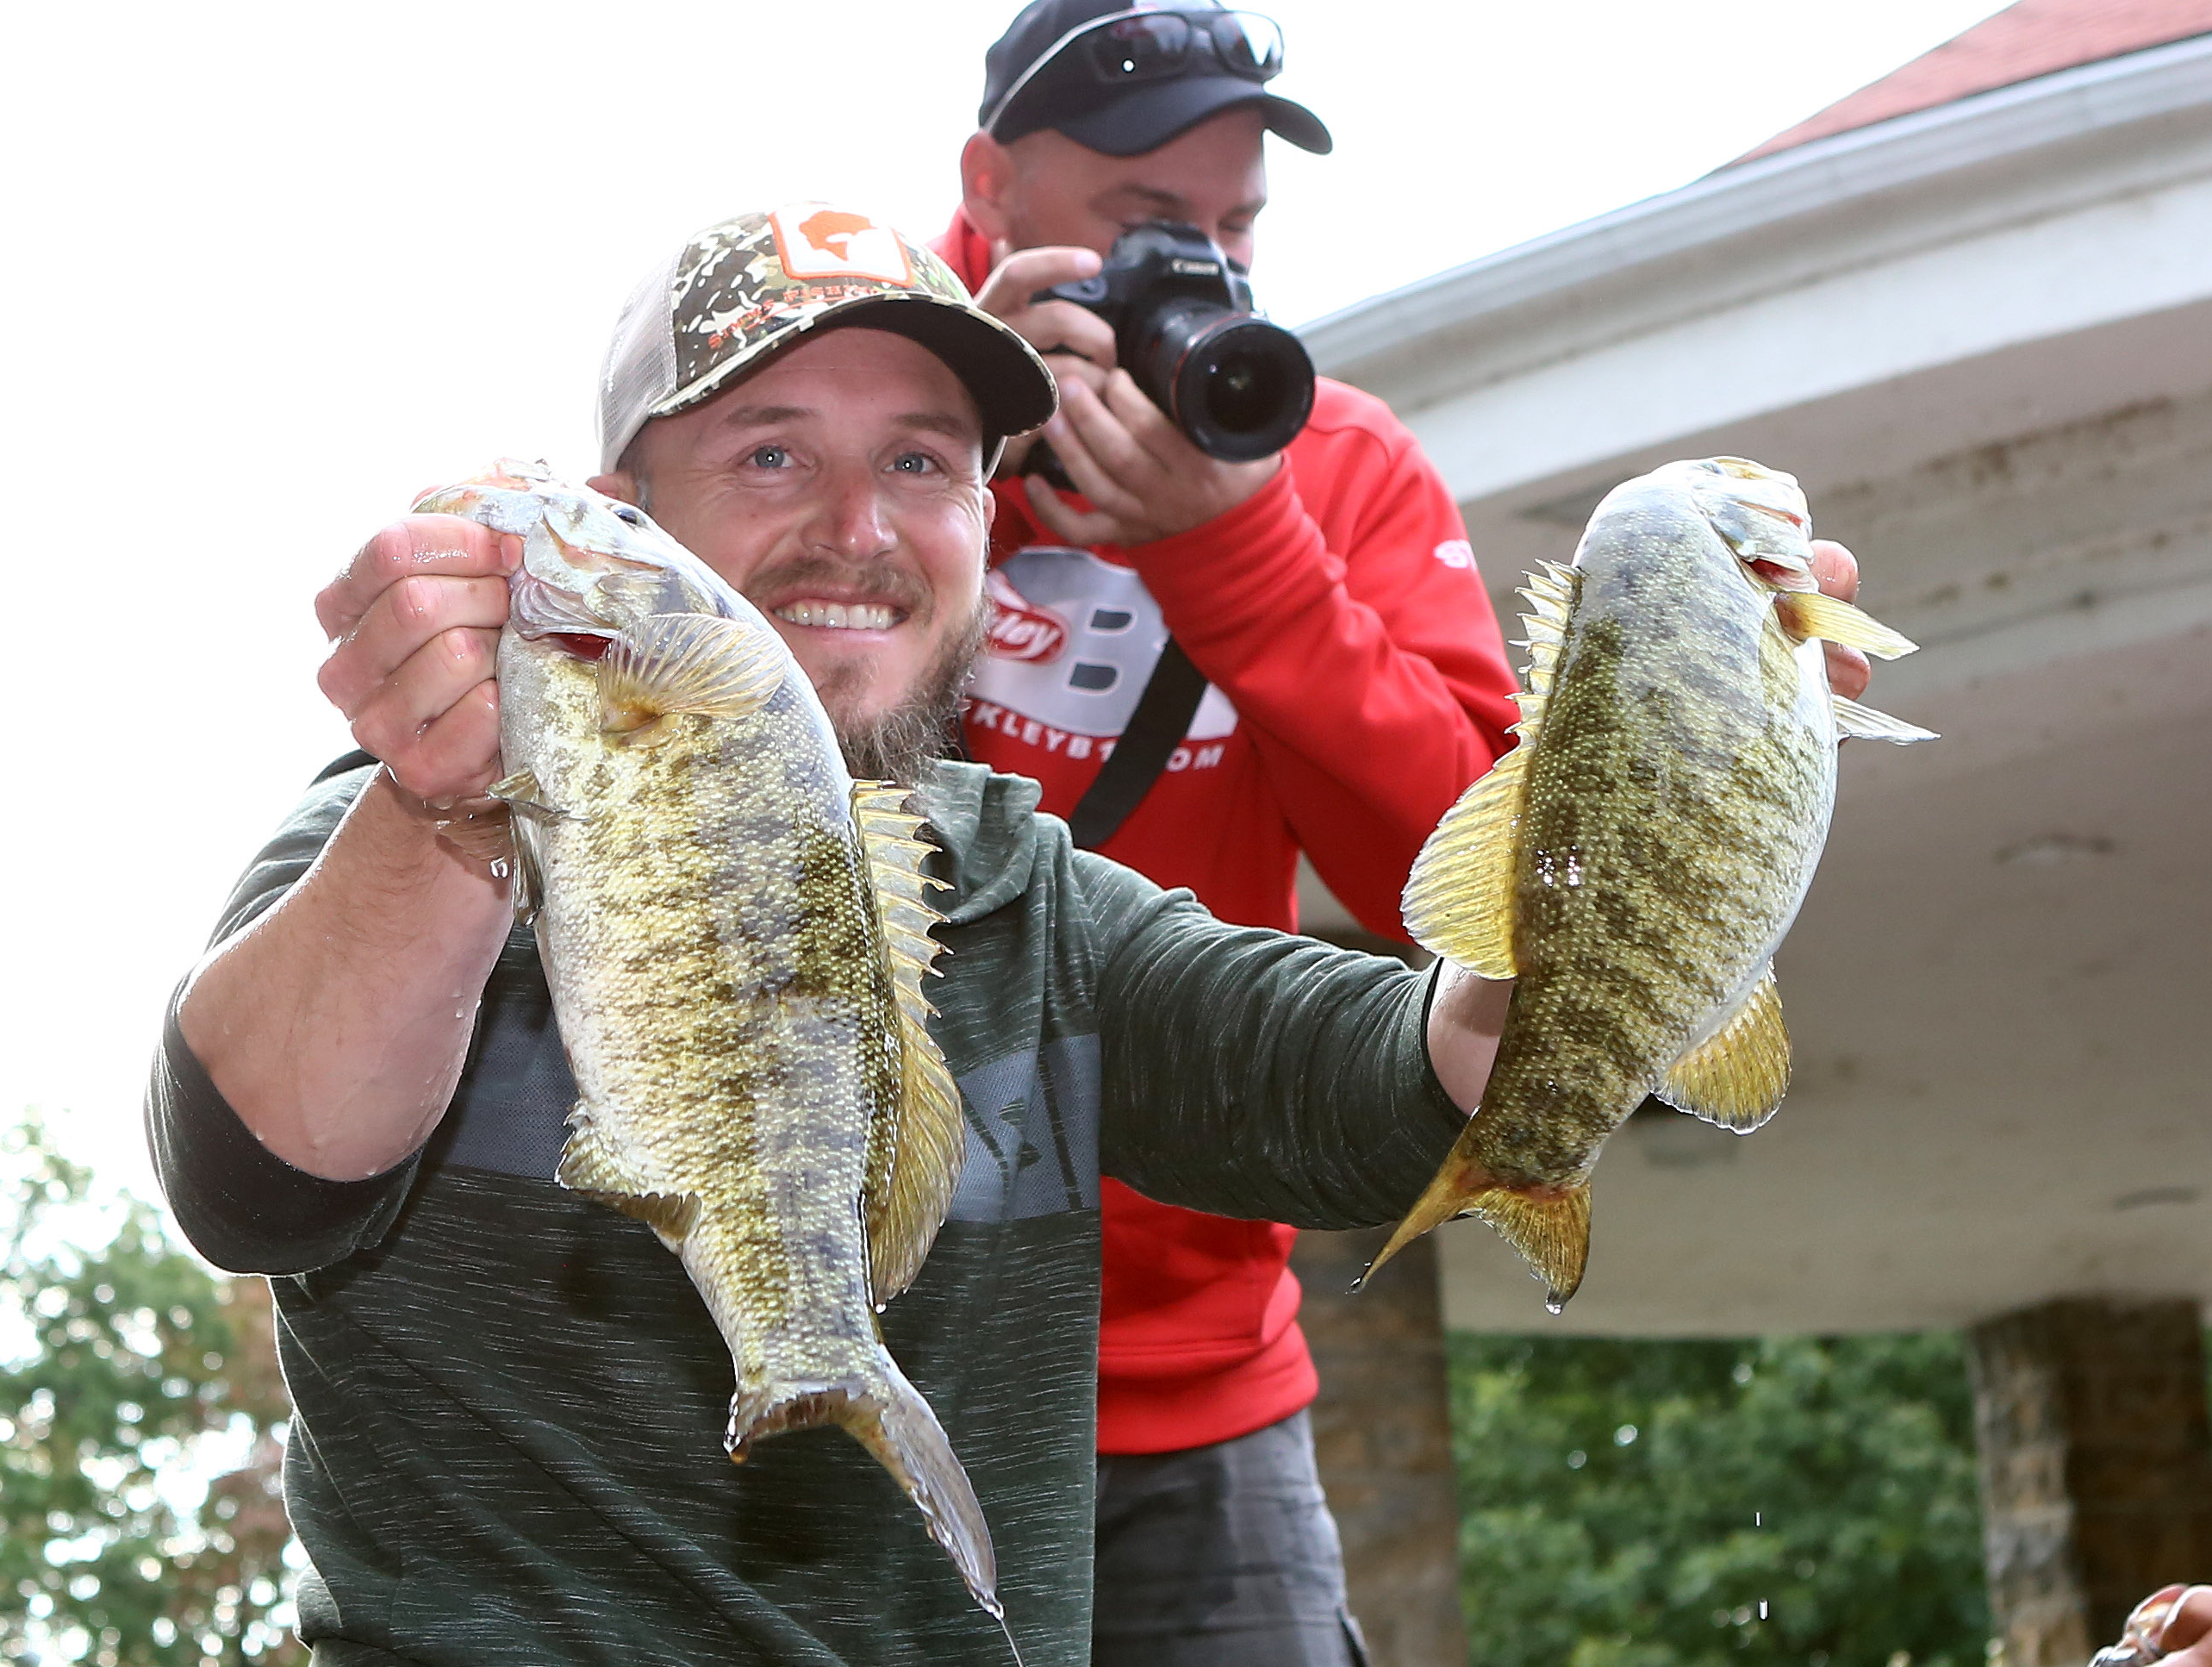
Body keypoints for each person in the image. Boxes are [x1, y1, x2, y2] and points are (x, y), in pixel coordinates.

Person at [146, 203, 1875, 1665]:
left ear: (989, 522)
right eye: (771, 452)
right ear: (624, 510)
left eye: (922, 463)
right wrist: (450, 809)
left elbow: (1376, 1081)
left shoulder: (1029, 901)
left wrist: (1635, 812)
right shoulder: (420, 823)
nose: (856, 526)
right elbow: (248, 1175)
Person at [929, 5, 1518, 1658]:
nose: (1193, 264)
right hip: (851, 1348)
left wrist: (1242, 557)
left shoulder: (1327, 464)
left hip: (1197, 1385)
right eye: (1137, 220)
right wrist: (944, 444)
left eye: (1233, 224)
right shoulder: (854, 397)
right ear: (989, 182)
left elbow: (1473, 888)